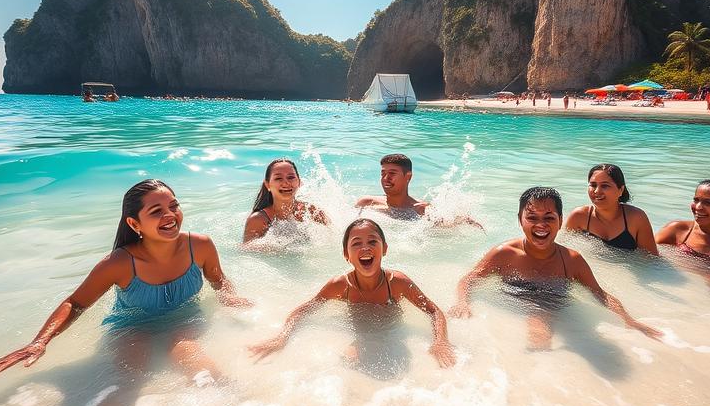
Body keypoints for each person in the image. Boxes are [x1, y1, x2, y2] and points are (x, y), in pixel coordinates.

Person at [0, 179, 253, 383]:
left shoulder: (200, 245)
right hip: (131, 325)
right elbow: (76, 303)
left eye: (174, 206)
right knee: (128, 381)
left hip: (184, 317)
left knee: (203, 370)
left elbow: (218, 280)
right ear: (134, 224)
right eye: (156, 212)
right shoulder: (118, 263)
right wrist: (40, 341)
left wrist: (228, 297)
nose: (170, 215)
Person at [449, 187, 662, 349]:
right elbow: (469, 279)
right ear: (519, 220)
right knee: (530, 338)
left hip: (552, 302)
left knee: (561, 338)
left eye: (549, 218)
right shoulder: (504, 254)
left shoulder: (572, 260)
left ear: (560, 221)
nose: (541, 225)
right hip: (513, 300)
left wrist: (629, 320)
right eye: (532, 218)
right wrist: (463, 303)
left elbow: (600, 294)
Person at [248, 218, 456, 368]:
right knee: (342, 367)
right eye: (356, 244)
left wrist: (441, 341)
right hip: (359, 335)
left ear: (384, 248)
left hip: (391, 331)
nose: (365, 248)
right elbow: (304, 310)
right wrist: (282, 337)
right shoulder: (340, 285)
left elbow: (433, 311)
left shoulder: (398, 283)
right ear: (346, 255)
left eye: (372, 242)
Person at [564, 164, 659, 254]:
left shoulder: (636, 218)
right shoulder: (578, 216)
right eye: (593, 185)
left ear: (621, 190)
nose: (597, 191)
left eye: (605, 186)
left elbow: (651, 261)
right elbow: (564, 252)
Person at [243, 158, 330, 242]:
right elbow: (247, 252)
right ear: (267, 185)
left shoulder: (311, 211)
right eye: (278, 178)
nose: (286, 183)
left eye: (291, 177)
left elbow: (334, 236)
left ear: (299, 182)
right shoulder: (258, 220)